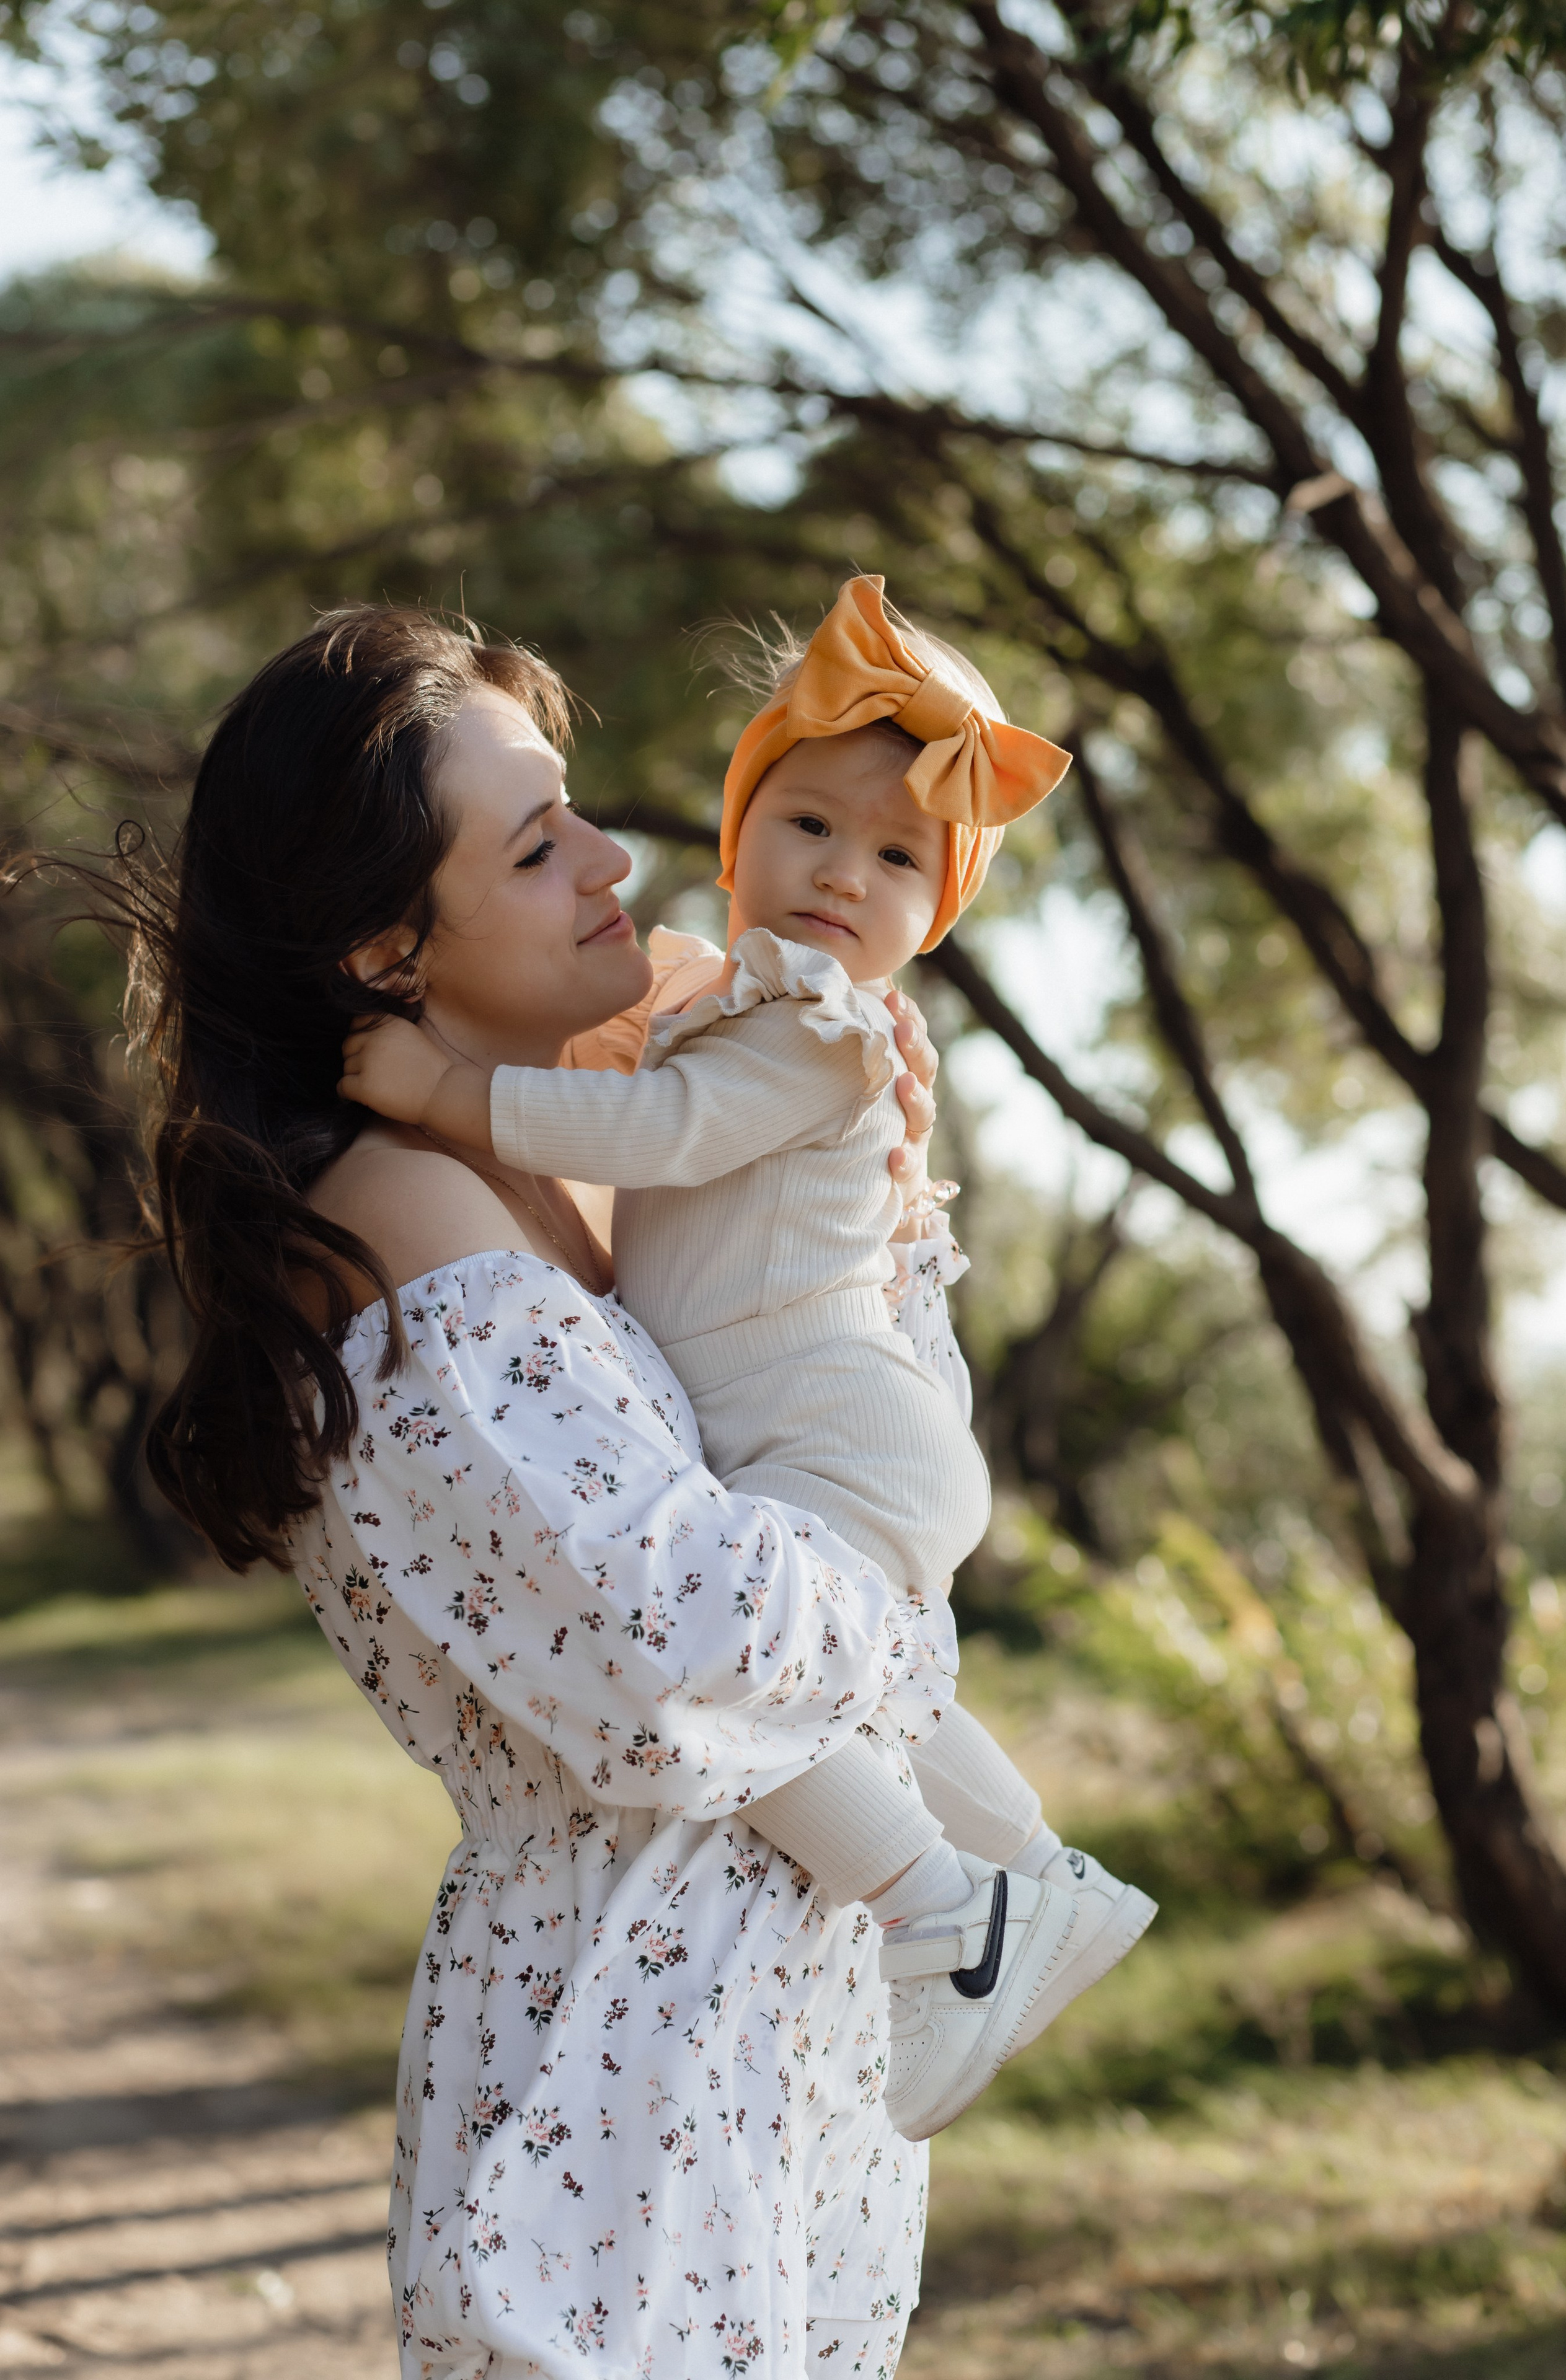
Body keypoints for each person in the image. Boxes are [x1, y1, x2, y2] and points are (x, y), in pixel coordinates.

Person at [122, 601, 988, 2380]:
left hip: (775, 2044)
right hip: (618, 2064)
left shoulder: (596, 1174)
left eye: (577, 806)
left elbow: (868, 1463)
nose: (614, 862)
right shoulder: (393, 1220)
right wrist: (886, 1604)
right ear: (383, 951)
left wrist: (866, 1185)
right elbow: (683, 1646)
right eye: (536, 847)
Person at [338, 575, 1155, 2143]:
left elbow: (659, 1128)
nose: (844, 874)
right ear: (740, 835)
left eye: (899, 855)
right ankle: (1037, 1875)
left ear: (937, 914)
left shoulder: (812, 1031)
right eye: (808, 828)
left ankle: (944, 1913)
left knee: (757, 1693)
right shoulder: (728, 1003)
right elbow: (615, 1064)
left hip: (829, 1422)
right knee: (868, 1705)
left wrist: (448, 1092)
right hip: (837, 1419)